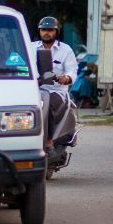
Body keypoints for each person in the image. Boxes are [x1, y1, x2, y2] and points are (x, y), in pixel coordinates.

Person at [32, 16, 77, 148]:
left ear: (56, 32)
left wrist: (66, 78)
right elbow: (18, 64)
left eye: (50, 30)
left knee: (48, 104)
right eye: (43, 30)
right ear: (39, 31)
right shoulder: (30, 47)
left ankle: (49, 140)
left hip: (56, 91)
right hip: (33, 90)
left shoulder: (66, 50)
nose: (47, 33)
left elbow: (72, 71)